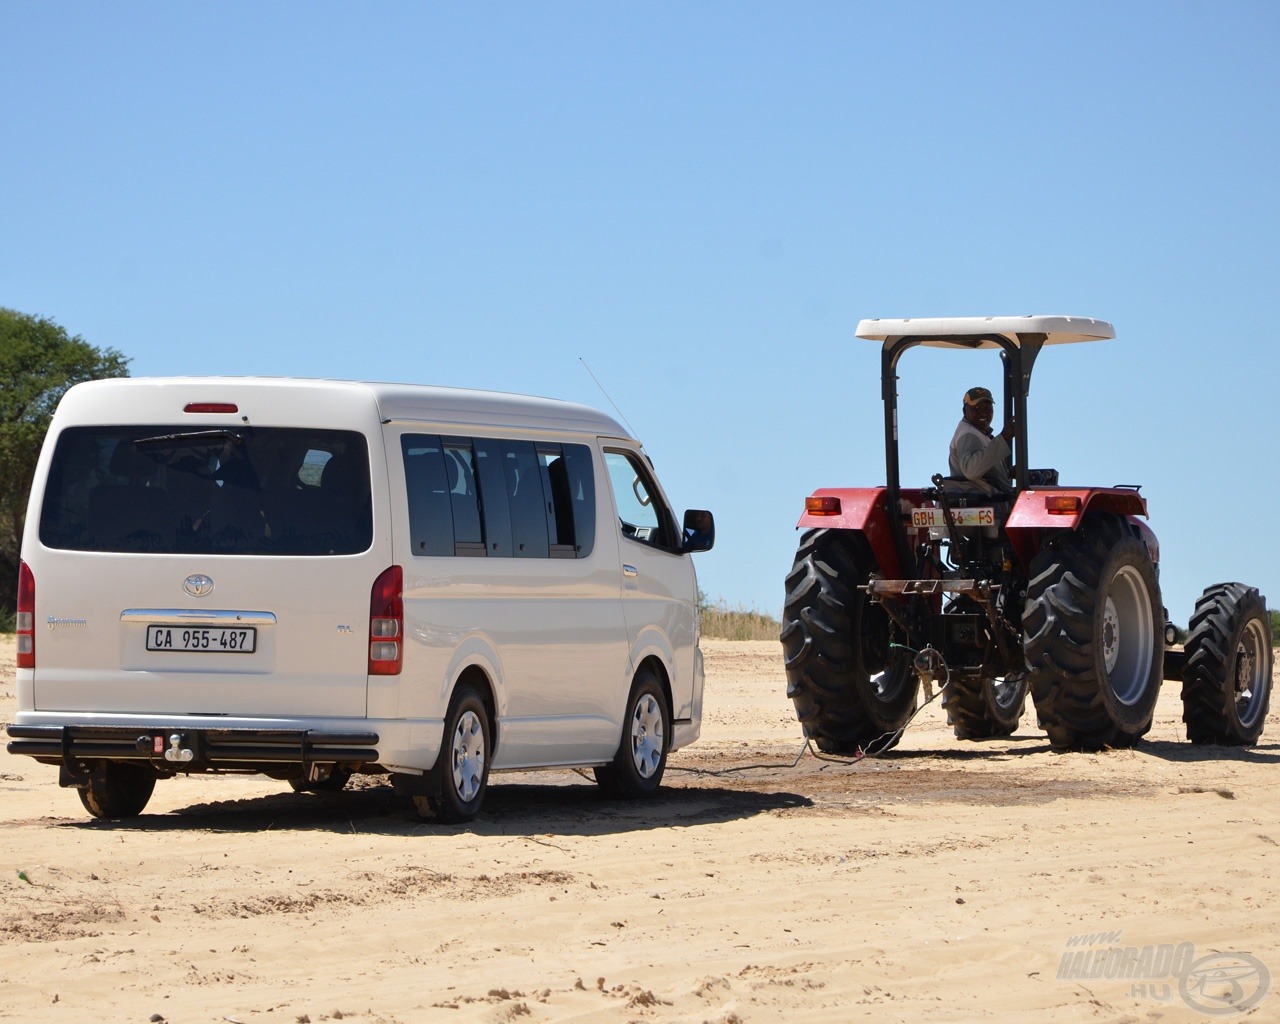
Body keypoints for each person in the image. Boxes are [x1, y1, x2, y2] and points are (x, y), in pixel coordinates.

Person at [949, 386, 1014, 494]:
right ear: (965, 411)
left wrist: (1007, 474)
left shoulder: (979, 434)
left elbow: (984, 472)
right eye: (976, 408)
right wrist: (1004, 437)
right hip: (980, 503)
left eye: (987, 408)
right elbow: (971, 471)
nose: (983, 412)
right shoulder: (968, 434)